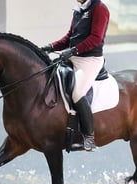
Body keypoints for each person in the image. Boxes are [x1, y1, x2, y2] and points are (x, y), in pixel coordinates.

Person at [41, 0, 110, 152]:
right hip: (74, 57)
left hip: (90, 60)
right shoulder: (79, 9)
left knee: (78, 93)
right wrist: (50, 47)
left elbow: (96, 38)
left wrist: (73, 51)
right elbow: (69, 37)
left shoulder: (100, 8)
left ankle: (89, 137)